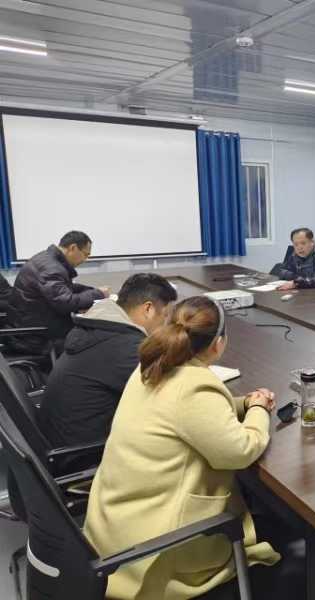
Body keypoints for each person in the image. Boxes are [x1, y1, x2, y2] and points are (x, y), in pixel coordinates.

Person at [83, 296, 283, 599]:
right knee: (277, 529)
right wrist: (259, 410)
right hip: (158, 549)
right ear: (218, 344)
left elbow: (189, 415)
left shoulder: (151, 366)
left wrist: (244, 403)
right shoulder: (194, 386)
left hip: (115, 529)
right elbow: (240, 451)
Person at [38, 273, 178, 450]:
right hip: (86, 453)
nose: (165, 325)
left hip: (61, 440)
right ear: (148, 309)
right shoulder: (126, 346)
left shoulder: (97, 329)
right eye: (165, 316)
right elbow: (171, 395)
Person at [7, 231, 109, 354]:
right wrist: (98, 294)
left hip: (30, 324)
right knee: (97, 339)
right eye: (85, 254)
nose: (85, 259)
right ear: (73, 248)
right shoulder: (52, 268)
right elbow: (65, 302)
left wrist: (91, 291)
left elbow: (62, 288)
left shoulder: (46, 259)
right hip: (37, 337)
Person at [273, 227, 315, 292]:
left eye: (303, 243)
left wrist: (296, 283)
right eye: (296, 244)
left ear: (312, 242)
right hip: (307, 291)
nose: (299, 247)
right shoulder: (296, 254)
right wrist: (298, 279)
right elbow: (283, 271)